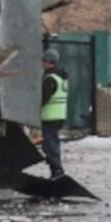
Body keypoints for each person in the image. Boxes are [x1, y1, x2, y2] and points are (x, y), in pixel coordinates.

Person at [41, 48, 69, 179]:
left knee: (50, 145)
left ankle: (57, 171)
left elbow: (43, 99)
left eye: (43, 61)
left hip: (50, 116)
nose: (42, 63)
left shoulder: (50, 79)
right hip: (59, 115)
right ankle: (55, 170)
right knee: (51, 144)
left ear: (48, 62)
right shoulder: (61, 77)